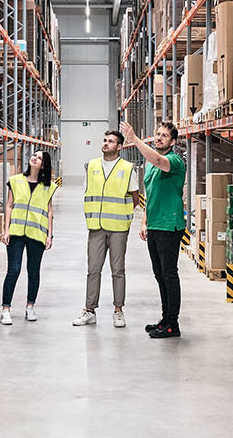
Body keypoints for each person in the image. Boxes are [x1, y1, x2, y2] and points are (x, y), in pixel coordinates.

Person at [119, 120, 186, 339]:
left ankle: (172, 325)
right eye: (157, 134)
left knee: (169, 275)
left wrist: (134, 139)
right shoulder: (149, 165)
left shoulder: (175, 161)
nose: (159, 138)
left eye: (164, 136)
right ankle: (165, 319)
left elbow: (158, 160)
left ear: (173, 141)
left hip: (170, 225)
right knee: (159, 275)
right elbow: (151, 195)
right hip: (155, 224)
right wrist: (144, 221)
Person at [72, 130, 142, 328]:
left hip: (119, 227)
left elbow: (135, 198)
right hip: (96, 226)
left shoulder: (128, 168)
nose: (106, 143)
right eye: (104, 140)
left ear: (119, 147)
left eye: (111, 141)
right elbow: (88, 192)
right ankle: (89, 310)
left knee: (117, 270)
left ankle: (118, 310)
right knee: (93, 269)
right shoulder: (92, 166)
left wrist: (124, 214)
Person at [0, 150, 58, 326]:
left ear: (43, 164)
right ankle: (6, 310)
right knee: (14, 270)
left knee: (33, 272)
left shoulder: (48, 186)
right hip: (16, 233)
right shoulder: (16, 180)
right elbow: (9, 206)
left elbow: (49, 211)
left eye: (39, 157)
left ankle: (30, 306)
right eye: (34, 155)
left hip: (37, 235)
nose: (34, 158)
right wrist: (6, 230)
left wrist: (50, 235)